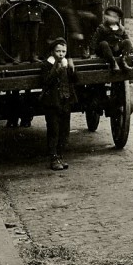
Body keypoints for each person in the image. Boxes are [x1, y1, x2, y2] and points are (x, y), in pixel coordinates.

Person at [40, 38, 76, 171]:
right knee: (53, 130)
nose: (61, 54)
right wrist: (56, 70)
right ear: (52, 52)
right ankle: (53, 157)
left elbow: (74, 80)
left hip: (65, 100)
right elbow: (45, 81)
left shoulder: (66, 63)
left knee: (64, 130)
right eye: (58, 51)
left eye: (63, 51)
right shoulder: (47, 64)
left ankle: (60, 155)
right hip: (52, 102)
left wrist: (72, 69)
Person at [91, 6, 133, 72]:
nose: (111, 18)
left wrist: (131, 50)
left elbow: (126, 38)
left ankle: (124, 60)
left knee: (127, 42)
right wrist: (92, 53)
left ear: (118, 18)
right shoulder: (102, 27)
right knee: (104, 43)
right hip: (105, 51)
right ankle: (113, 63)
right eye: (109, 16)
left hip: (115, 49)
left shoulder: (121, 29)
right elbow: (94, 39)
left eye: (114, 16)